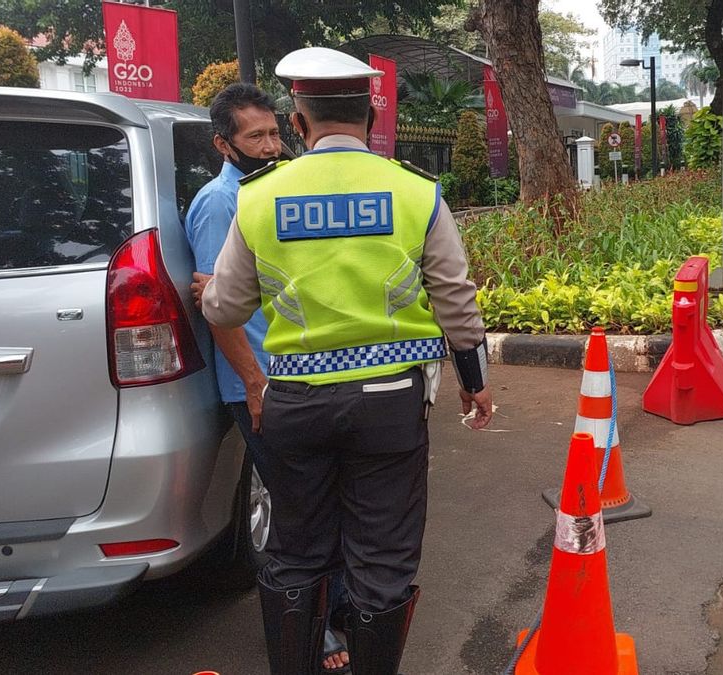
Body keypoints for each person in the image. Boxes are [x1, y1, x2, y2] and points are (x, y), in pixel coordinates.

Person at [197, 46, 494, 675]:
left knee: (296, 553)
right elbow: (456, 301)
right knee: (382, 558)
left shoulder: (258, 198)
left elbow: (223, 309)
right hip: (390, 405)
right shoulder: (415, 192)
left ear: (299, 122)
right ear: (370, 113)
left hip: (294, 406)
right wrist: (473, 383)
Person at [183, 83, 350, 675]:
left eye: (275, 132)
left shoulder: (275, 194)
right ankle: (316, 631)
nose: (272, 145)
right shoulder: (220, 204)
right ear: (223, 145)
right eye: (255, 136)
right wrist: (254, 384)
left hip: (297, 376)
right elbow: (215, 307)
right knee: (298, 514)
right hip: (259, 383)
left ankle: (334, 612)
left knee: (319, 504)